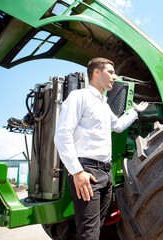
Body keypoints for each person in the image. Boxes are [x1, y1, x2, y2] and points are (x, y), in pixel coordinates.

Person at [54, 57, 148, 240]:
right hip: (87, 172)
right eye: (111, 72)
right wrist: (77, 172)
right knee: (89, 233)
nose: (115, 77)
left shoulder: (104, 105)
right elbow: (62, 135)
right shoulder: (79, 97)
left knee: (97, 229)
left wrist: (135, 112)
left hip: (106, 173)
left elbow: (119, 126)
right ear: (96, 72)